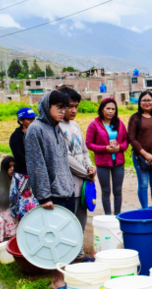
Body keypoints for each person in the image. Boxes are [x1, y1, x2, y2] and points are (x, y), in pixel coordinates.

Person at [25, 90, 75, 289]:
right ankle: (56, 281)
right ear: (47, 107)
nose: (63, 111)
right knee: (54, 239)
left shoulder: (56, 128)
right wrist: (44, 195)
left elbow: (63, 161)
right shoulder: (36, 130)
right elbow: (37, 165)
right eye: (59, 107)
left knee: (65, 237)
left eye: (65, 107)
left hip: (65, 190)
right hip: (52, 194)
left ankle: (62, 276)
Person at [58, 87, 96, 232]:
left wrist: (90, 167)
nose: (74, 110)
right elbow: (65, 157)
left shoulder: (75, 125)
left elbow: (84, 151)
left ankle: (78, 251)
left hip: (83, 182)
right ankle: (72, 253)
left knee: (81, 218)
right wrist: (87, 173)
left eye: (76, 106)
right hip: (69, 184)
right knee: (69, 221)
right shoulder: (57, 127)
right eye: (70, 106)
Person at [86, 98, 129, 215]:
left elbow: (126, 140)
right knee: (105, 191)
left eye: (113, 109)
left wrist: (120, 147)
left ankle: (118, 216)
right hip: (102, 163)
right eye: (108, 108)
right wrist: (105, 148)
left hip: (118, 162)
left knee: (118, 191)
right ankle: (108, 216)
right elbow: (89, 143)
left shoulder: (119, 123)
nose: (111, 111)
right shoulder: (94, 125)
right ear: (102, 109)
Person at [9, 107, 39, 220]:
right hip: (24, 175)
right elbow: (20, 156)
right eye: (29, 119)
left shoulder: (36, 134)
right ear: (21, 121)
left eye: (33, 119)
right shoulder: (16, 137)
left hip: (36, 173)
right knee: (25, 204)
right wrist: (37, 163)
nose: (32, 121)